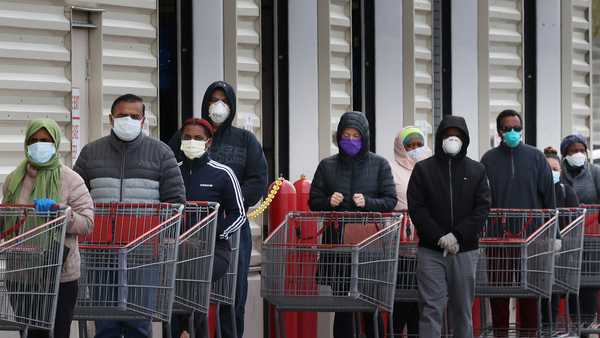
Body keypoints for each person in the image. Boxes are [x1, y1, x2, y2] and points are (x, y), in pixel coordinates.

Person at [74, 94, 186, 338]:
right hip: (99, 251)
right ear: (111, 118)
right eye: (123, 115)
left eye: (135, 116)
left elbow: (175, 202)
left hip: (143, 252)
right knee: (105, 323)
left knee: (138, 322)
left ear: (143, 120)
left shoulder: (161, 153)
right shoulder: (91, 153)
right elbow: (76, 196)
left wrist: (164, 239)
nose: (128, 120)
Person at [169, 81, 268, 338]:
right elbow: (168, 173)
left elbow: (258, 179)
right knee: (185, 294)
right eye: (213, 100)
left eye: (223, 100)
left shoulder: (245, 140)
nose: (218, 105)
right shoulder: (185, 136)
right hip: (186, 235)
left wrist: (224, 208)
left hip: (229, 231)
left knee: (232, 295)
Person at [2, 119, 94, 338]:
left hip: (59, 276)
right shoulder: (14, 179)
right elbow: (8, 218)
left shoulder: (71, 179)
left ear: (55, 143)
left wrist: (62, 213)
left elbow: (87, 223)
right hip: (22, 274)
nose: (38, 145)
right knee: (31, 334)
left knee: (56, 333)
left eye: (45, 140)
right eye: (33, 140)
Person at [309, 111, 397, 338]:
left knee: (370, 304)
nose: (350, 140)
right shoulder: (327, 165)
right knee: (343, 305)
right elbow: (313, 201)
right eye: (345, 135)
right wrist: (328, 201)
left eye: (355, 135)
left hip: (370, 246)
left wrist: (368, 202)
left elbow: (390, 200)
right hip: (338, 246)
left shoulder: (379, 164)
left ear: (364, 137)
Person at [407, 115, 491, 338]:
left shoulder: (477, 170)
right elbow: (417, 207)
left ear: (465, 139)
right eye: (447, 135)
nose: (452, 139)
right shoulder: (423, 170)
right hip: (431, 250)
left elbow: (482, 208)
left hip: (465, 250)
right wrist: (439, 236)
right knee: (430, 308)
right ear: (440, 138)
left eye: (457, 135)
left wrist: (458, 236)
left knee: (462, 310)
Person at [481, 109, 556, 337]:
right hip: (498, 239)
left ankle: (529, 334)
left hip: (532, 238)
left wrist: (556, 234)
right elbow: (482, 198)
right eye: (508, 128)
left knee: (530, 292)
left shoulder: (535, 157)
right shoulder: (488, 159)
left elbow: (548, 197)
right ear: (499, 131)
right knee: (499, 293)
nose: (513, 132)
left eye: (517, 128)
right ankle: (501, 334)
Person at [169, 118, 246, 338]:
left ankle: (189, 330)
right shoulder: (172, 172)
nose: (191, 141)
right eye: (187, 137)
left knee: (195, 277)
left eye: (198, 138)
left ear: (209, 142)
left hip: (213, 252)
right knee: (172, 287)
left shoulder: (223, 173)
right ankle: (182, 330)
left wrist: (213, 235)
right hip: (177, 252)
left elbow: (238, 214)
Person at [390, 126, 431, 336]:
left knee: (421, 301)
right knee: (400, 300)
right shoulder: (391, 169)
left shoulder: (432, 168)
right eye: (409, 145)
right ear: (400, 147)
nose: (414, 149)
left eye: (418, 145)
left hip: (427, 245)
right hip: (401, 246)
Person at [559, 134, 600, 329]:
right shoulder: (559, 174)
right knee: (571, 281)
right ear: (565, 153)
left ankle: (587, 322)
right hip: (567, 238)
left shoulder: (595, 172)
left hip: (591, 237)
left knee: (589, 282)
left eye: (582, 150)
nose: (578, 154)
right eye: (573, 151)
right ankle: (574, 324)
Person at [541, 147, 579, 328]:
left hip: (560, 249)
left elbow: (575, 221)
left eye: (555, 169)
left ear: (561, 171)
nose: (552, 173)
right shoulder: (538, 190)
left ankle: (550, 325)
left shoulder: (566, 191)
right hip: (539, 247)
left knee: (554, 290)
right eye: (548, 169)